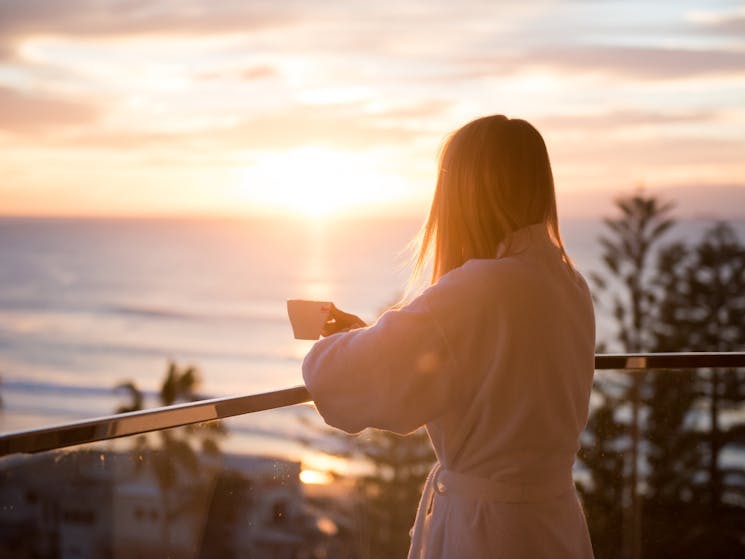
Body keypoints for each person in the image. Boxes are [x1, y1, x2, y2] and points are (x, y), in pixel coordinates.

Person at [302, 115, 595, 559]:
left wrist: (341, 344)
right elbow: (484, 369)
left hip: (487, 536)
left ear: (461, 196)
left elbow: (337, 376)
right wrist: (381, 338)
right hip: (554, 524)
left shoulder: (479, 289)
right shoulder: (567, 283)